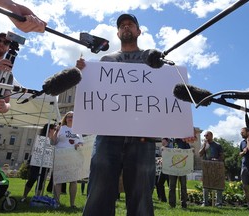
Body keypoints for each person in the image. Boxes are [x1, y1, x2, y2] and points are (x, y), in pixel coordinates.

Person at [77, 14, 156, 216]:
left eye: (130, 24)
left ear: (139, 31)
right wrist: (83, 74)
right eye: (122, 25)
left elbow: (164, 92)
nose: (126, 27)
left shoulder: (153, 58)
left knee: (141, 196)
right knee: (99, 192)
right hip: (108, 135)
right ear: (118, 33)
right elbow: (95, 91)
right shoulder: (106, 59)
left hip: (142, 136)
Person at [51, 111, 83, 208]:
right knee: (59, 180)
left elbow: (82, 143)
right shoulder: (61, 128)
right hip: (61, 156)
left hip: (73, 158)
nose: (70, 118)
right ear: (65, 118)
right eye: (68, 116)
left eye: (72, 117)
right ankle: (57, 202)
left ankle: (72, 204)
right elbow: (53, 141)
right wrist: (56, 131)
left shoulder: (78, 130)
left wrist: (79, 145)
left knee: (73, 181)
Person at [21, 123, 56, 202]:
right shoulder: (41, 137)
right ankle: (24, 196)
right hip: (37, 160)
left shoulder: (53, 139)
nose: (55, 131)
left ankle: (37, 196)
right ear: (50, 129)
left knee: (41, 180)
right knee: (32, 178)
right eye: (54, 129)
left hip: (46, 162)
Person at [199, 131, 224, 207]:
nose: (205, 137)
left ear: (211, 136)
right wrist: (204, 146)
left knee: (218, 184)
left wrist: (217, 160)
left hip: (216, 166)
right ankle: (205, 202)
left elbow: (222, 156)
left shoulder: (217, 145)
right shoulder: (204, 145)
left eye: (207, 135)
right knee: (205, 184)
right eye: (204, 135)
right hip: (206, 167)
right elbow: (200, 154)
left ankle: (219, 203)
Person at [168, 138, 190, 209]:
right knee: (172, 186)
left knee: (183, 186)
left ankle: (184, 204)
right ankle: (172, 204)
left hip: (182, 167)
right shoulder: (171, 142)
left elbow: (189, 152)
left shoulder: (184, 142)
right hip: (173, 167)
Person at [156, 138, 172, 202]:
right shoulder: (162, 148)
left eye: (163, 140)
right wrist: (160, 160)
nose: (161, 141)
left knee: (169, 185)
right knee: (159, 183)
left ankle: (171, 200)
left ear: (166, 141)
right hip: (163, 169)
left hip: (169, 169)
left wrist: (162, 160)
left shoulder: (169, 148)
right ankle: (163, 199)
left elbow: (169, 157)